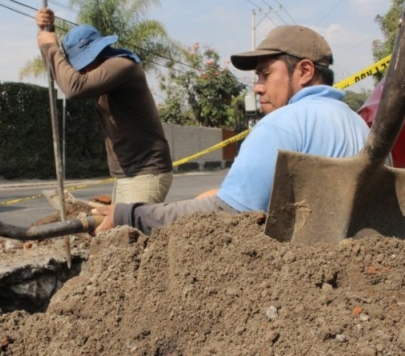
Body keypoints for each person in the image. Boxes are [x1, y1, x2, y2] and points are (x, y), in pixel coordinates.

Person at [92, 25, 371, 235]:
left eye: (266, 74)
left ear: (305, 71)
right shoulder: (359, 125)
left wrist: (129, 215)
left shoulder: (281, 124)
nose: (257, 86)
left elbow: (226, 216)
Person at [35, 7, 173, 204]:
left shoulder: (122, 66)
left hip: (146, 172)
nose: (83, 69)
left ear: (100, 51)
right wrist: (47, 32)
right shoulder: (103, 76)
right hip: (127, 175)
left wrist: (51, 47)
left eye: (86, 61)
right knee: (112, 231)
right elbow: (59, 74)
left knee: (130, 233)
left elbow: (74, 88)